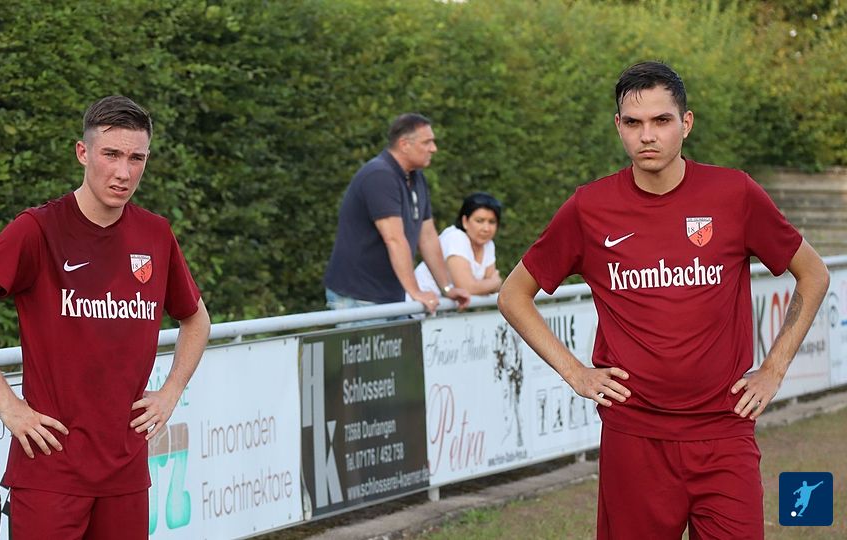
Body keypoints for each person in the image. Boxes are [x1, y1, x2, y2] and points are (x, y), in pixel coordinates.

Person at [497, 62, 829, 539]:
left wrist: (774, 369)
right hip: (634, 435)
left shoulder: (734, 193)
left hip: (724, 429)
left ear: (686, 123)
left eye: (661, 120)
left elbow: (813, 274)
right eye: (633, 123)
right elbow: (513, 294)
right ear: (618, 126)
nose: (647, 135)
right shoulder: (590, 207)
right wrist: (576, 373)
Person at [0, 96, 211, 539]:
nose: (123, 172)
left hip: (125, 472)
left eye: (136, 158)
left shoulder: (155, 234)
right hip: (50, 469)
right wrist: (8, 404)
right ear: (83, 152)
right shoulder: (38, 229)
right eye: (111, 154)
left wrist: (171, 391)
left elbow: (197, 320)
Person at [324, 113, 471, 319]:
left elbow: (428, 237)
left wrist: (447, 288)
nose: (433, 149)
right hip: (359, 298)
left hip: (391, 297)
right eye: (427, 142)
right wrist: (416, 292)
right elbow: (394, 239)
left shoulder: (417, 178)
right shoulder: (379, 175)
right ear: (404, 144)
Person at [413, 192, 503, 297]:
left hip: (441, 306)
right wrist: (495, 282)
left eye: (492, 222)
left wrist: (490, 285)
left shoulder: (488, 244)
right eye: (479, 221)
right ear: (465, 221)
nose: (486, 228)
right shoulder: (455, 238)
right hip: (414, 304)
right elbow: (467, 288)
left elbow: (491, 288)